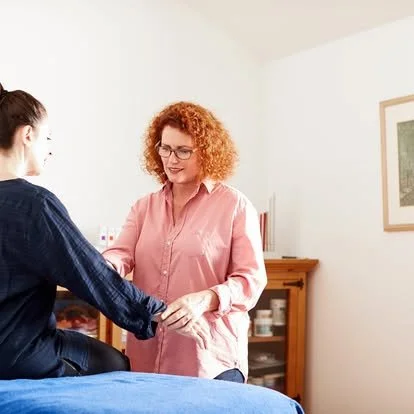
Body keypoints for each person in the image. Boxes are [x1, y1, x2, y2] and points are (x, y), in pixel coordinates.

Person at [0, 83, 166, 380]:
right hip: (18, 354)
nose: (50, 148)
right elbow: (92, 275)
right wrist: (156, 313)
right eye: (46, 137)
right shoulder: (36, 205)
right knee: (116, 364)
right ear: (27, 135)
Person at [103, 101, 267, 383]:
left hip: (209, 359)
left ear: (207, 152)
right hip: (146, 356)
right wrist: (98, 266)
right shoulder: (144, 207)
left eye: (183, 151)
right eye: (165, 148)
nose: (171, 159)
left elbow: (250, 281)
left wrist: (205, 299)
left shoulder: (234, 206)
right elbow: (119, 255)